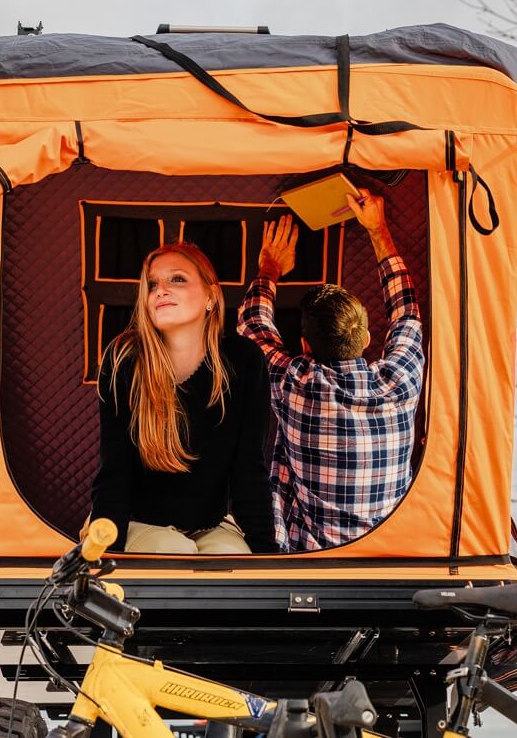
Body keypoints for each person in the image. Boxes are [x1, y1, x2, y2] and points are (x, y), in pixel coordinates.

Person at [237, 190, 424, 551]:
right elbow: (407, 312)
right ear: (368, 338)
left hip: (309, 562)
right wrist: (378, 229)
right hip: (390, 556)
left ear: (305, 346)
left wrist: (270, 267)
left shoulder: (296, 386)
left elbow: (251, 326)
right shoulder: (400, 383)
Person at [88, 243, 277, 554]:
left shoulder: (243, 360)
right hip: (137, 524)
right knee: (174, 552)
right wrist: (103, 551)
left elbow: (250, 470)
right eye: (152, 284)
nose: (160, 290)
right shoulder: (125, 360)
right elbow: (114, 469)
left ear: (210, 297)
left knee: (232, 560)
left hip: (211, 525)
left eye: (176, 279)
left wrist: (267, 563)